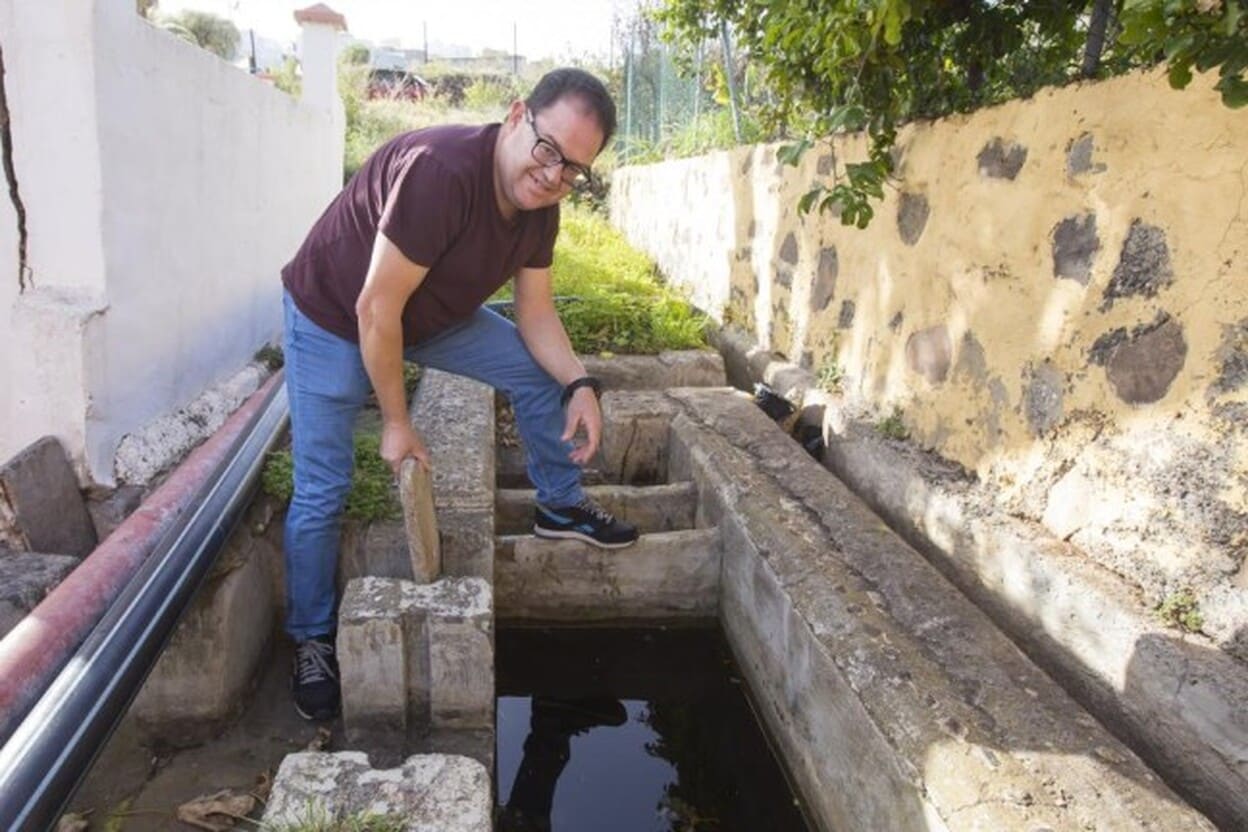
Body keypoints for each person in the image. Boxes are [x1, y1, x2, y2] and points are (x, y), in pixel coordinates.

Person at [279, 68, 638, 721]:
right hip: (335, 315)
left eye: (574, 169)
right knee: (322, 486)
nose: (554, 174)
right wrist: (395, 421)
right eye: (548, 148)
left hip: (429, 316)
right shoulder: (441, 173)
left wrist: (580, 381)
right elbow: (375, 309)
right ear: (515, 115)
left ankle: (559, 506)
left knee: (538, 372)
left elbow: (536, 317)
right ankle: (310, 639)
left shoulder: (541, 208)